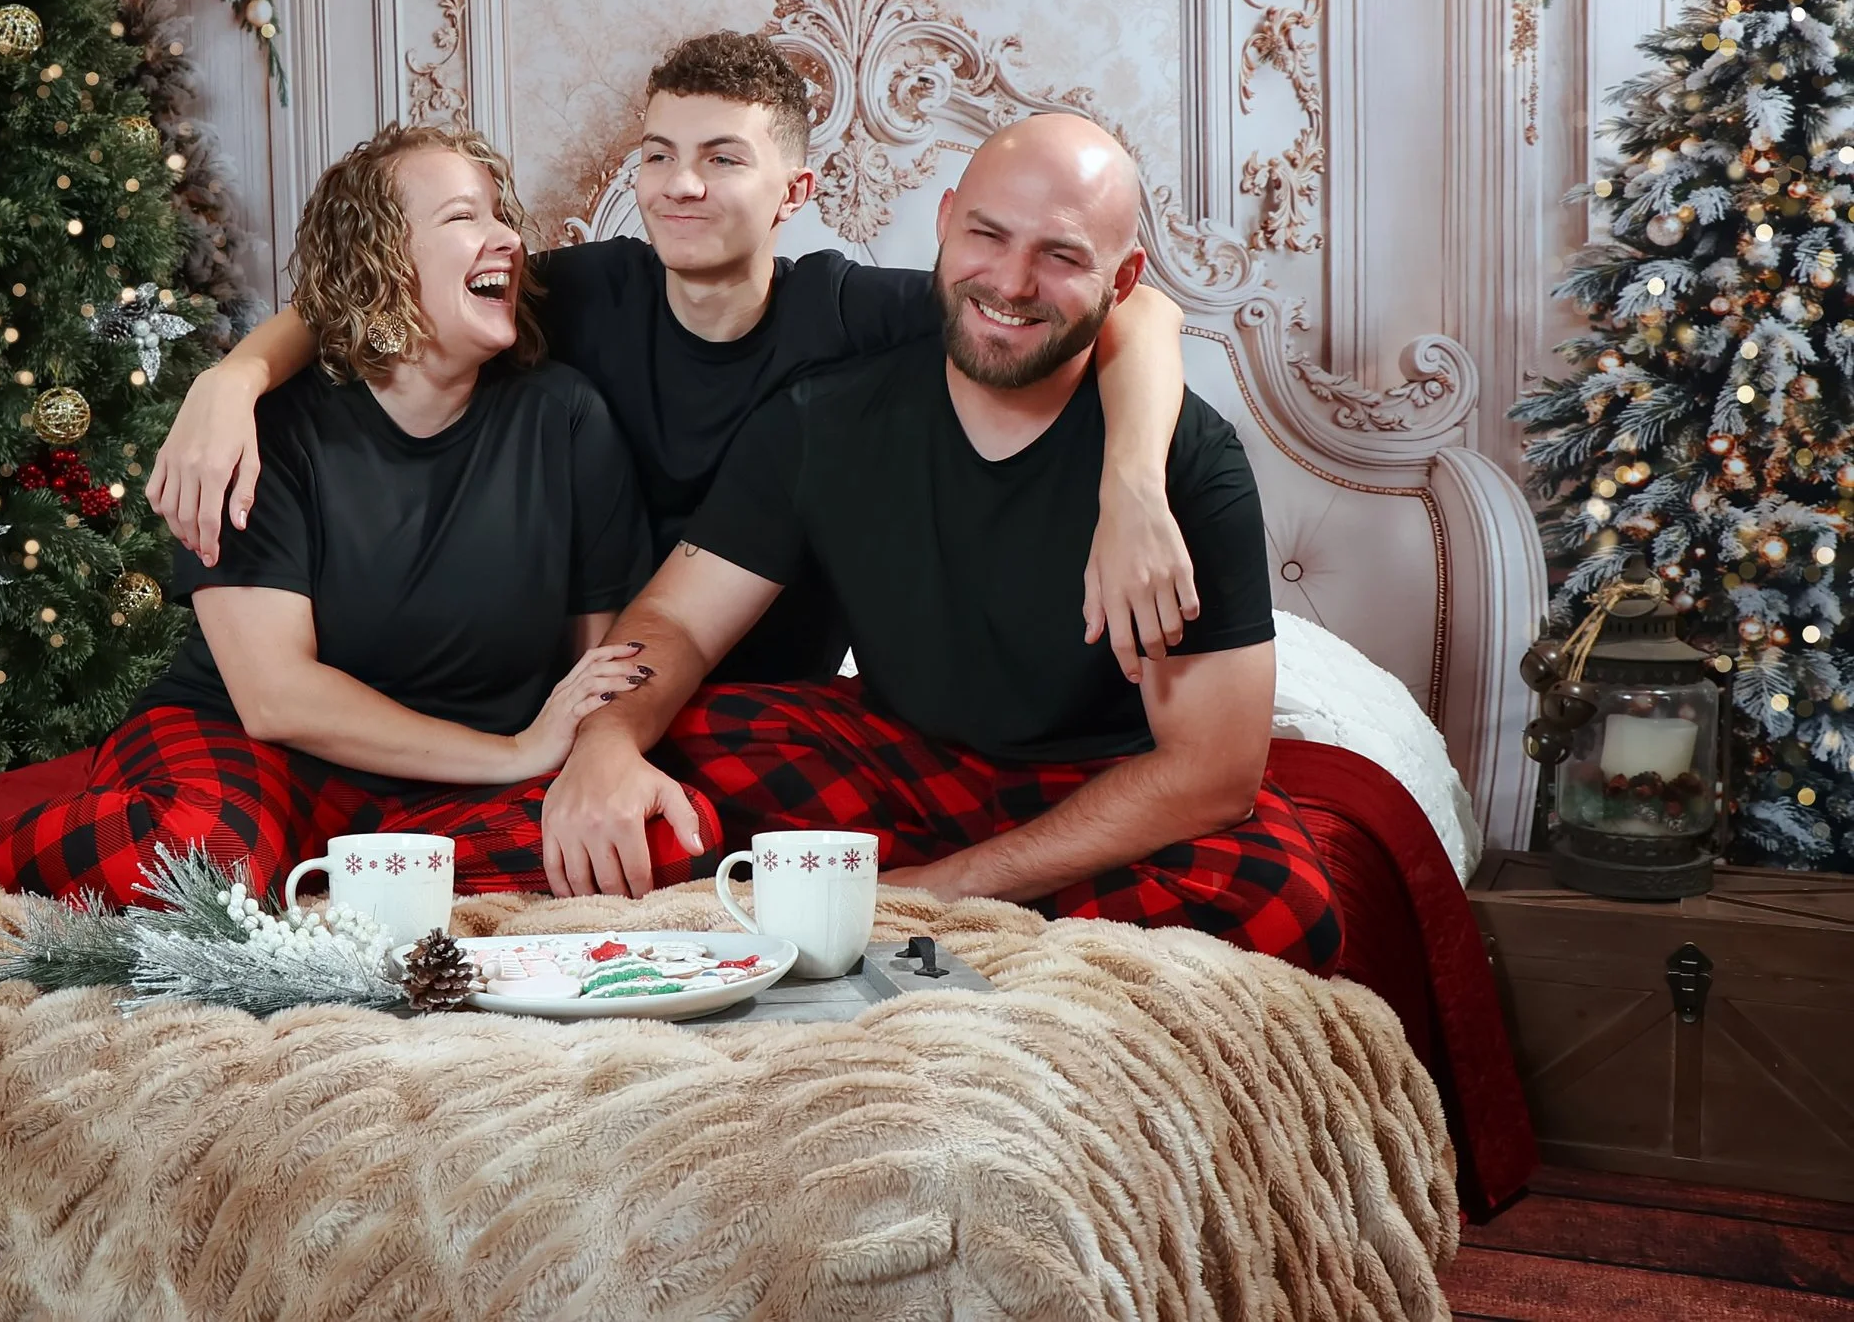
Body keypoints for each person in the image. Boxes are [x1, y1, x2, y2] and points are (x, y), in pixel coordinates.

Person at [152, 33, 1200, 872]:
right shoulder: (574, 296)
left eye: (722, 157)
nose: (680, 184)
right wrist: (235, 375)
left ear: (794, 191)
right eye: (657, 154)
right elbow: (376, 287)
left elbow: (1133, 310)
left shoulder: (857, 314)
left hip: (741, 703)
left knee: (713, 840)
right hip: (603, 687)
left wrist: (1133, 486)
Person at [0, 123, 696, 904]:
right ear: (378, 261)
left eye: (499, 215)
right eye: (458, 217)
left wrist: (561, 758)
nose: (505, 237)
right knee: (200, 851)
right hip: (248, 743)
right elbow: (276, 696)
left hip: (449, 769)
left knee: (645, 827)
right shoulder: (267, 432)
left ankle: (332, 867)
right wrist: (517, 754)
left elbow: (594, 666)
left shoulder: (567, 418)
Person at [540, 114, 1342, 972]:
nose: (1012, 280)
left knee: (1284, 899)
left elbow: (1212, 773)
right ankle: (974, 914)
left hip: (1101, 788)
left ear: (1125, 279)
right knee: (681, 739)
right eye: (987, 235)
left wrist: (938, 890)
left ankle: (883, 907)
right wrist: (607, 743)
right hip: (900, 767)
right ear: (945, 221)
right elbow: (679, 621)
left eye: (1062, 256)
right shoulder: (824, 416)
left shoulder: (1186, 461)